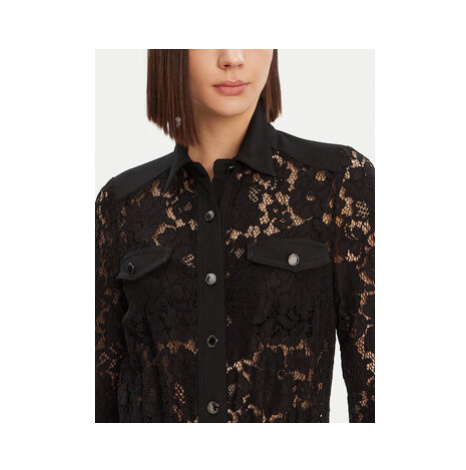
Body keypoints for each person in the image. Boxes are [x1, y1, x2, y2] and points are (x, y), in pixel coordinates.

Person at [95, 49, 375, 423]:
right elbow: (100, 398)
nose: (233, 57)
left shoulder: (339, 182)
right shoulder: (121, 204)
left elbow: (374, 394)